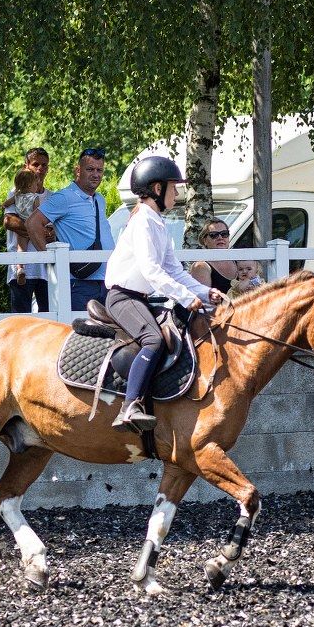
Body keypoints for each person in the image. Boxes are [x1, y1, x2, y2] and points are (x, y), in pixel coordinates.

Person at [104, 156, 226, 433]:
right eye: (173, 187)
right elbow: (152, 271)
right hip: (123, 298)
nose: (177, 193)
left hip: (140, 299)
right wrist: (185, 297)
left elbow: (175, 271)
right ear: (157, 189)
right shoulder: (142, 222)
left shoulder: (157, 223)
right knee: (154, 339)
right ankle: (129, 407)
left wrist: (206, 293)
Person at [26, 147, 114, 311]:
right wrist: (51, 259)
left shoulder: (99, 199)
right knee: (80, 328)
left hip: (106, 282)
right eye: (90, 169)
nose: (96, 174)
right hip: (79, 284)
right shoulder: (64, 197)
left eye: (99, 170)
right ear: (78, 171)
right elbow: (32, 223)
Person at [2, 148, 51, 312]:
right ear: (26, 166)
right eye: (36, 164)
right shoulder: (15, 193)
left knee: (49, 317)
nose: (40, 168)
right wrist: (39, 231)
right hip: (21, 268)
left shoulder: (51, 196)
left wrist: (46, 232)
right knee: (21, 318)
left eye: (44, 165)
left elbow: (55, 229)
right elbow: (10, 221)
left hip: (45, 269)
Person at [189, 219, 237, 293]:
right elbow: (203, 297)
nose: (220, 238)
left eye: (224, 234)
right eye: (214, 235)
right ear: (205, 240)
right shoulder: (201, 266)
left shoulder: (238, 260)